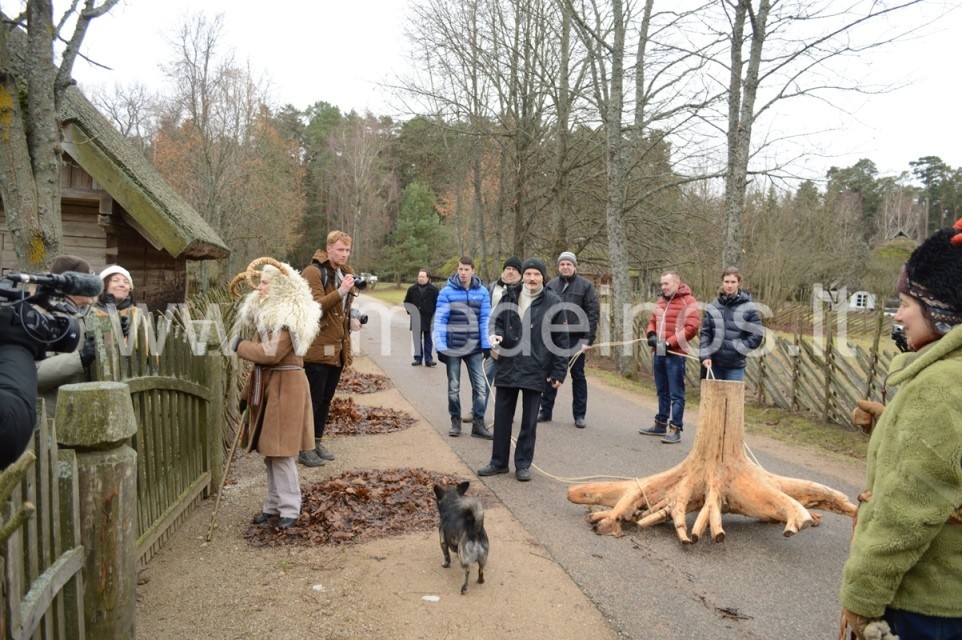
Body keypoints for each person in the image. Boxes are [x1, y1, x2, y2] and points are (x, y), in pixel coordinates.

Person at [840, 219, 962, 640]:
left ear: (942, 310)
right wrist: (889, 424)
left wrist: (862, 596)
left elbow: (911, 506)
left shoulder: (942, 385)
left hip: (924, 604)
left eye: (908, 301)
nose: (898, 314)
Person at [233, 260, 320, 530]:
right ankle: (273, 506)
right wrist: (247, 394)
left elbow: (269, 354)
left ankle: (290, 509)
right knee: (272, 452)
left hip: (287, 387)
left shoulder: (288, 317)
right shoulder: (269, 315)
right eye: (259, 282)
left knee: (281, 453)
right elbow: (260, 363)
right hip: (272, 385)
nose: (260, 287)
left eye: (265, 283)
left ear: (280, 286)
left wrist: (239, 345)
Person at [477, 258, 569, 482]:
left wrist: (558, 372)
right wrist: (495, 334)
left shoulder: (554, 302)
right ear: (522, 276)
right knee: (502, 417)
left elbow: (561, 339)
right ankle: (498, 462)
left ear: (543, 278)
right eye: (528, 274)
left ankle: (523, 465)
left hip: (536, 367)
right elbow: (495, 321)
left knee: (529, 421)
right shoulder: (509, 295)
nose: (531, 278)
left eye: (536, 275)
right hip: (508, 363)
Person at [298, 230, 364, 467]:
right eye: (340, 250)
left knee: (326, 400)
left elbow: (341, 310)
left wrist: (351, 320)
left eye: (347, 250)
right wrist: (341, 291)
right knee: (312, 401)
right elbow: (315, 307)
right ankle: (303, 448)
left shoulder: (345, 272)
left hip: (336, 349)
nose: (344, 254)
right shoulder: (312, 272)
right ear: (328, 250)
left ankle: (316, 441)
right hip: (316, 349)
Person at [432, 256, 493, 440]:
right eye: (460, 269)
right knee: (453, 386)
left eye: (467, 269)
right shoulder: (446, 292)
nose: (463, 273)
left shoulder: (482, 292)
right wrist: (441, 347)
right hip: (453, 347)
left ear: (473, 270)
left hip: (474, 347)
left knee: (481, 387)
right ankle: (455, 421)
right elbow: (440, 320)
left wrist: (486, 344)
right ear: (457, 270)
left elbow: (485, 320)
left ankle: (478, 423)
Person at [537, 251, 598, 429]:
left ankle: (579, 415)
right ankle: (545, 410)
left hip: (576, 338)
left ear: (574, 266)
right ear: (558, 266)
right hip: (553, 337)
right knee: (549, 374)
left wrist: (588, 339)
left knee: (578, 376)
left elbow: (592, 314)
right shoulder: (550, 285)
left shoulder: (586, 286)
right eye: (562, 264)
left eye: (568, 264)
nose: (565, 267)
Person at [639, 271, 700, 444]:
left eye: (667, 284)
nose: (663, 287)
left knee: (676, 394)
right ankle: (660, 423)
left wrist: (669, 343)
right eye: (662, 284)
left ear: (677, 283)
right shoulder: (661, 301)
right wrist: (650, 334)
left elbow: (691, 328)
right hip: (658, 352)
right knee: (662, 390)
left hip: (675, 354)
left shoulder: (689, 302)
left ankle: (675, 428)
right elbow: (652, 320)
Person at [36, 255, 99, 414]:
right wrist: (79, 359)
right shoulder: (41, 316)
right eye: (87, 281)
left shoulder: (89, 315)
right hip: (53, 416)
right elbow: (33, 373)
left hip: (82, 413)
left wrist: (119, 331)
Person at [698, 266, 764, 382]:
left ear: (739, 283)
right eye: (726, 281)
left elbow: (756, 335)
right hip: (714, 364)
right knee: (714, 400)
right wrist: (705, 355)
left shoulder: (749, 307)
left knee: (733, 400)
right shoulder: (713, 306)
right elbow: (705, 333)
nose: (729, 285)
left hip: (735, 366)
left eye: (733, 282)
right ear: (722, 282)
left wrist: (738, 349)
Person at [484, 257, 523, 394]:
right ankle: (477, 412)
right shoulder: (493, 287)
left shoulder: (523, 289)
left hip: (513, 339)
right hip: (494, 334)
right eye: (508, 268)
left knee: (511, 380)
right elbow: (485, 309)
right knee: (486, 375)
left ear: (520, 273)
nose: (511, 272)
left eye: (514, 269)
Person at [92, 264, 144, 343]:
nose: (122, 285)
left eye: (126, 282)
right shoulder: (91, 312)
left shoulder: (136, 314)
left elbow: (146, 349)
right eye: (115, 280)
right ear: (103, 285)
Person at [403, 269, 439, 367]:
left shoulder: (434, 290)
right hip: (416, 318)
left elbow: (438, 304)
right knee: (416, 339)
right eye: (419, 276)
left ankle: (428, 359)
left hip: (429, 318)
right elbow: (406, 302)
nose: (421, 278)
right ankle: (418, 359)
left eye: (423, 277)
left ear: (428, 278)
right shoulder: (411, 289)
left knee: (428, 339)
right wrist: (410, 312)